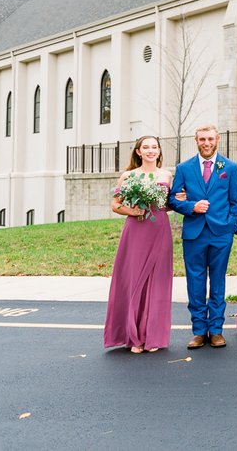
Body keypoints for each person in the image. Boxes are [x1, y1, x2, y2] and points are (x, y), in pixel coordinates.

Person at [169, 125, 237, 348]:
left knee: (218, 281)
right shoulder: (184, 168)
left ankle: (217, 330)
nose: (206, 143)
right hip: (194, 233)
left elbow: (235, 202)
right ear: (196, 141)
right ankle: (199, 331)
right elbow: (173, 199)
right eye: (202, 139)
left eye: (210, 139)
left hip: (221, 234)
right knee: (195, 282)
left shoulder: (229, 167)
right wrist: (192, 206)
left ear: (217, 140)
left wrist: (230, 226)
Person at [103, 136, 174, 353]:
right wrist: (132, 211)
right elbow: (115, 205)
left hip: (159, 229)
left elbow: (168, 205)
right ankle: (134, 337)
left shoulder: (167, 175)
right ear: (138, 152)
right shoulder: (129, 176)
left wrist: (179, 199)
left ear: (160, 151)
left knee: (157, 281)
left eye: (154, 147)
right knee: (134, 279)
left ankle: (153, 335)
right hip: (135, 231)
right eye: (146, 147)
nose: (150, 151)